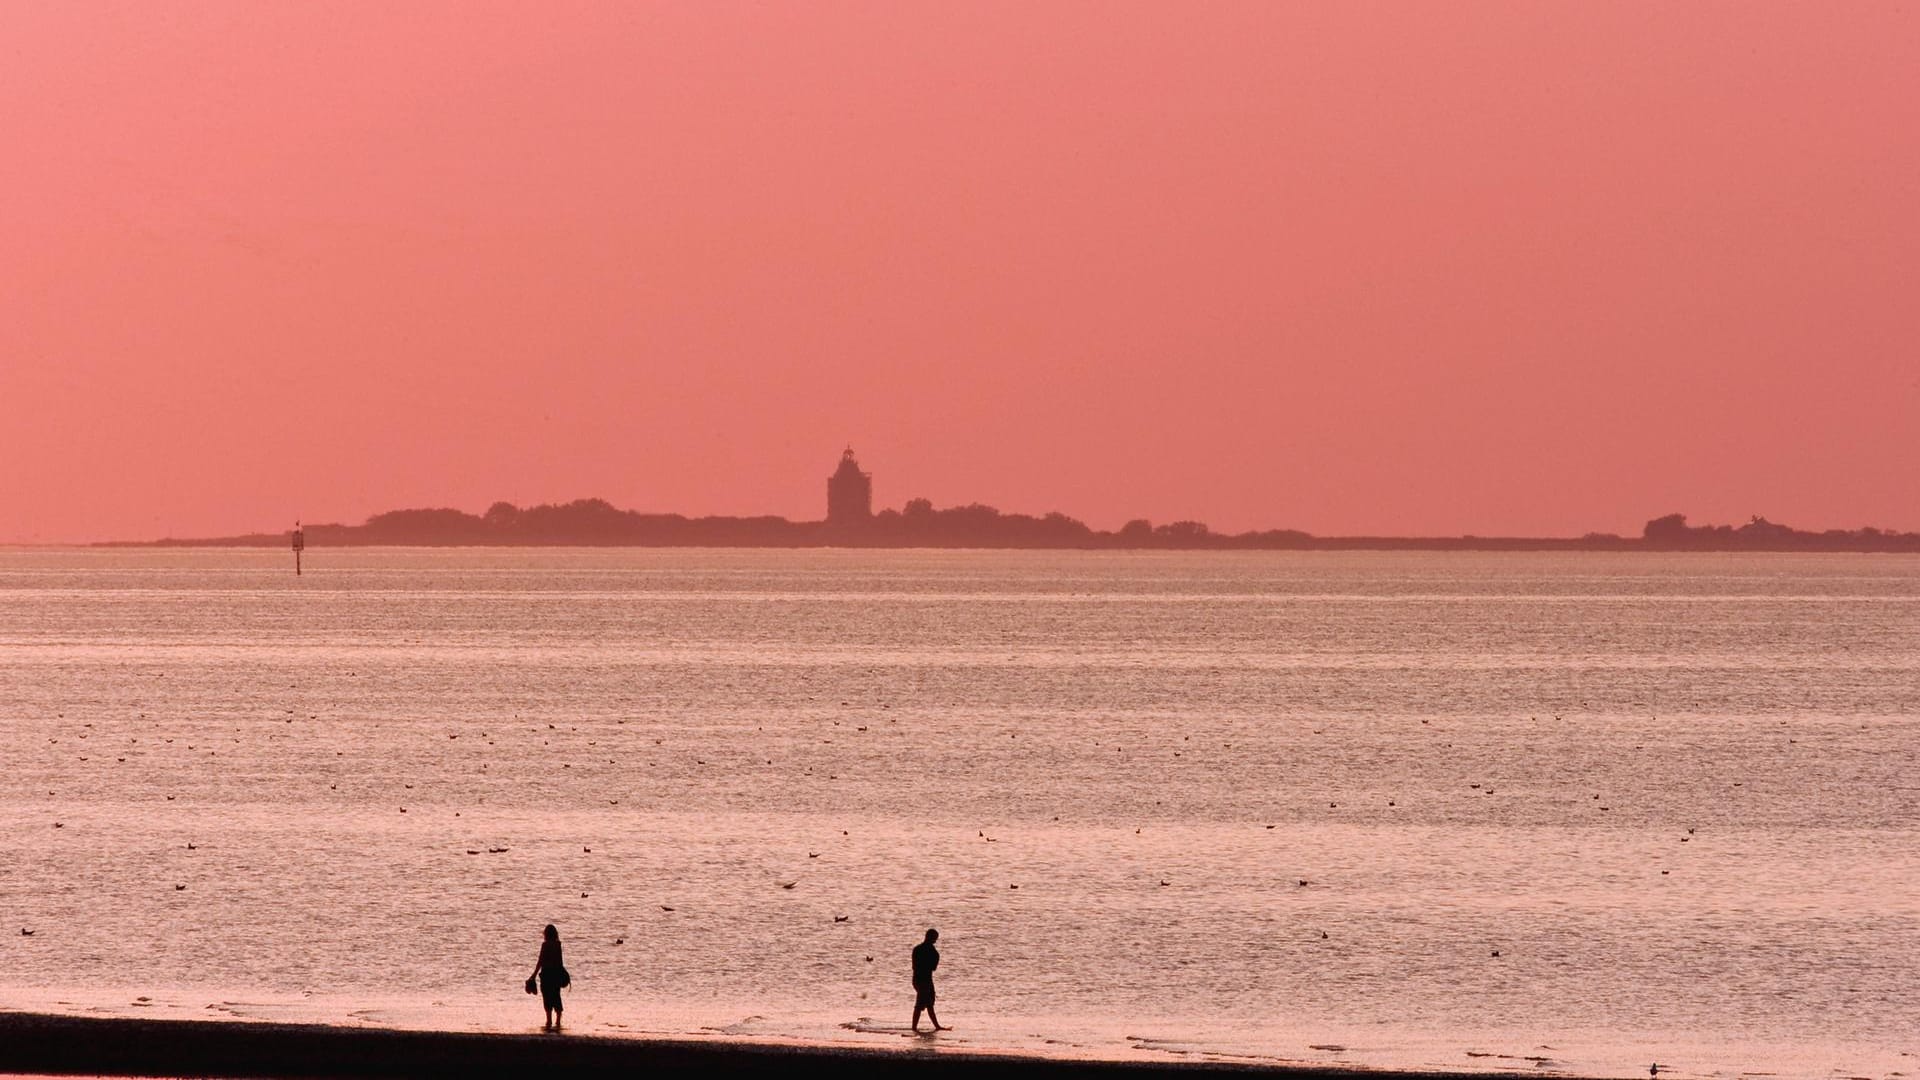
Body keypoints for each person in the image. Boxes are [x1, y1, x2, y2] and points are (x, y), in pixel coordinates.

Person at [527, 923, 568, 1031]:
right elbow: (560, 962)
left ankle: (549, 1021)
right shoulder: (558, 944)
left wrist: (534, 975)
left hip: (546, 975)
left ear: (546, 934)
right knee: (557, 996)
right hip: (556, 974)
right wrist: (562, 973)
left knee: (547, 999)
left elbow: (540, 961)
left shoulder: (545, 945)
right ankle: (558, 1022)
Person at [911, 927, 947, 1032]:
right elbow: (933, 968)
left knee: (928, 1003)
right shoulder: (934, 953)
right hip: (925, 980)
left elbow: (914, 966)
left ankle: (936, 1026)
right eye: (935, 938)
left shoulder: (917, 949)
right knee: (921, 1004)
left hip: (917, 979)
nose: (935, 940)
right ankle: (914, 1028)